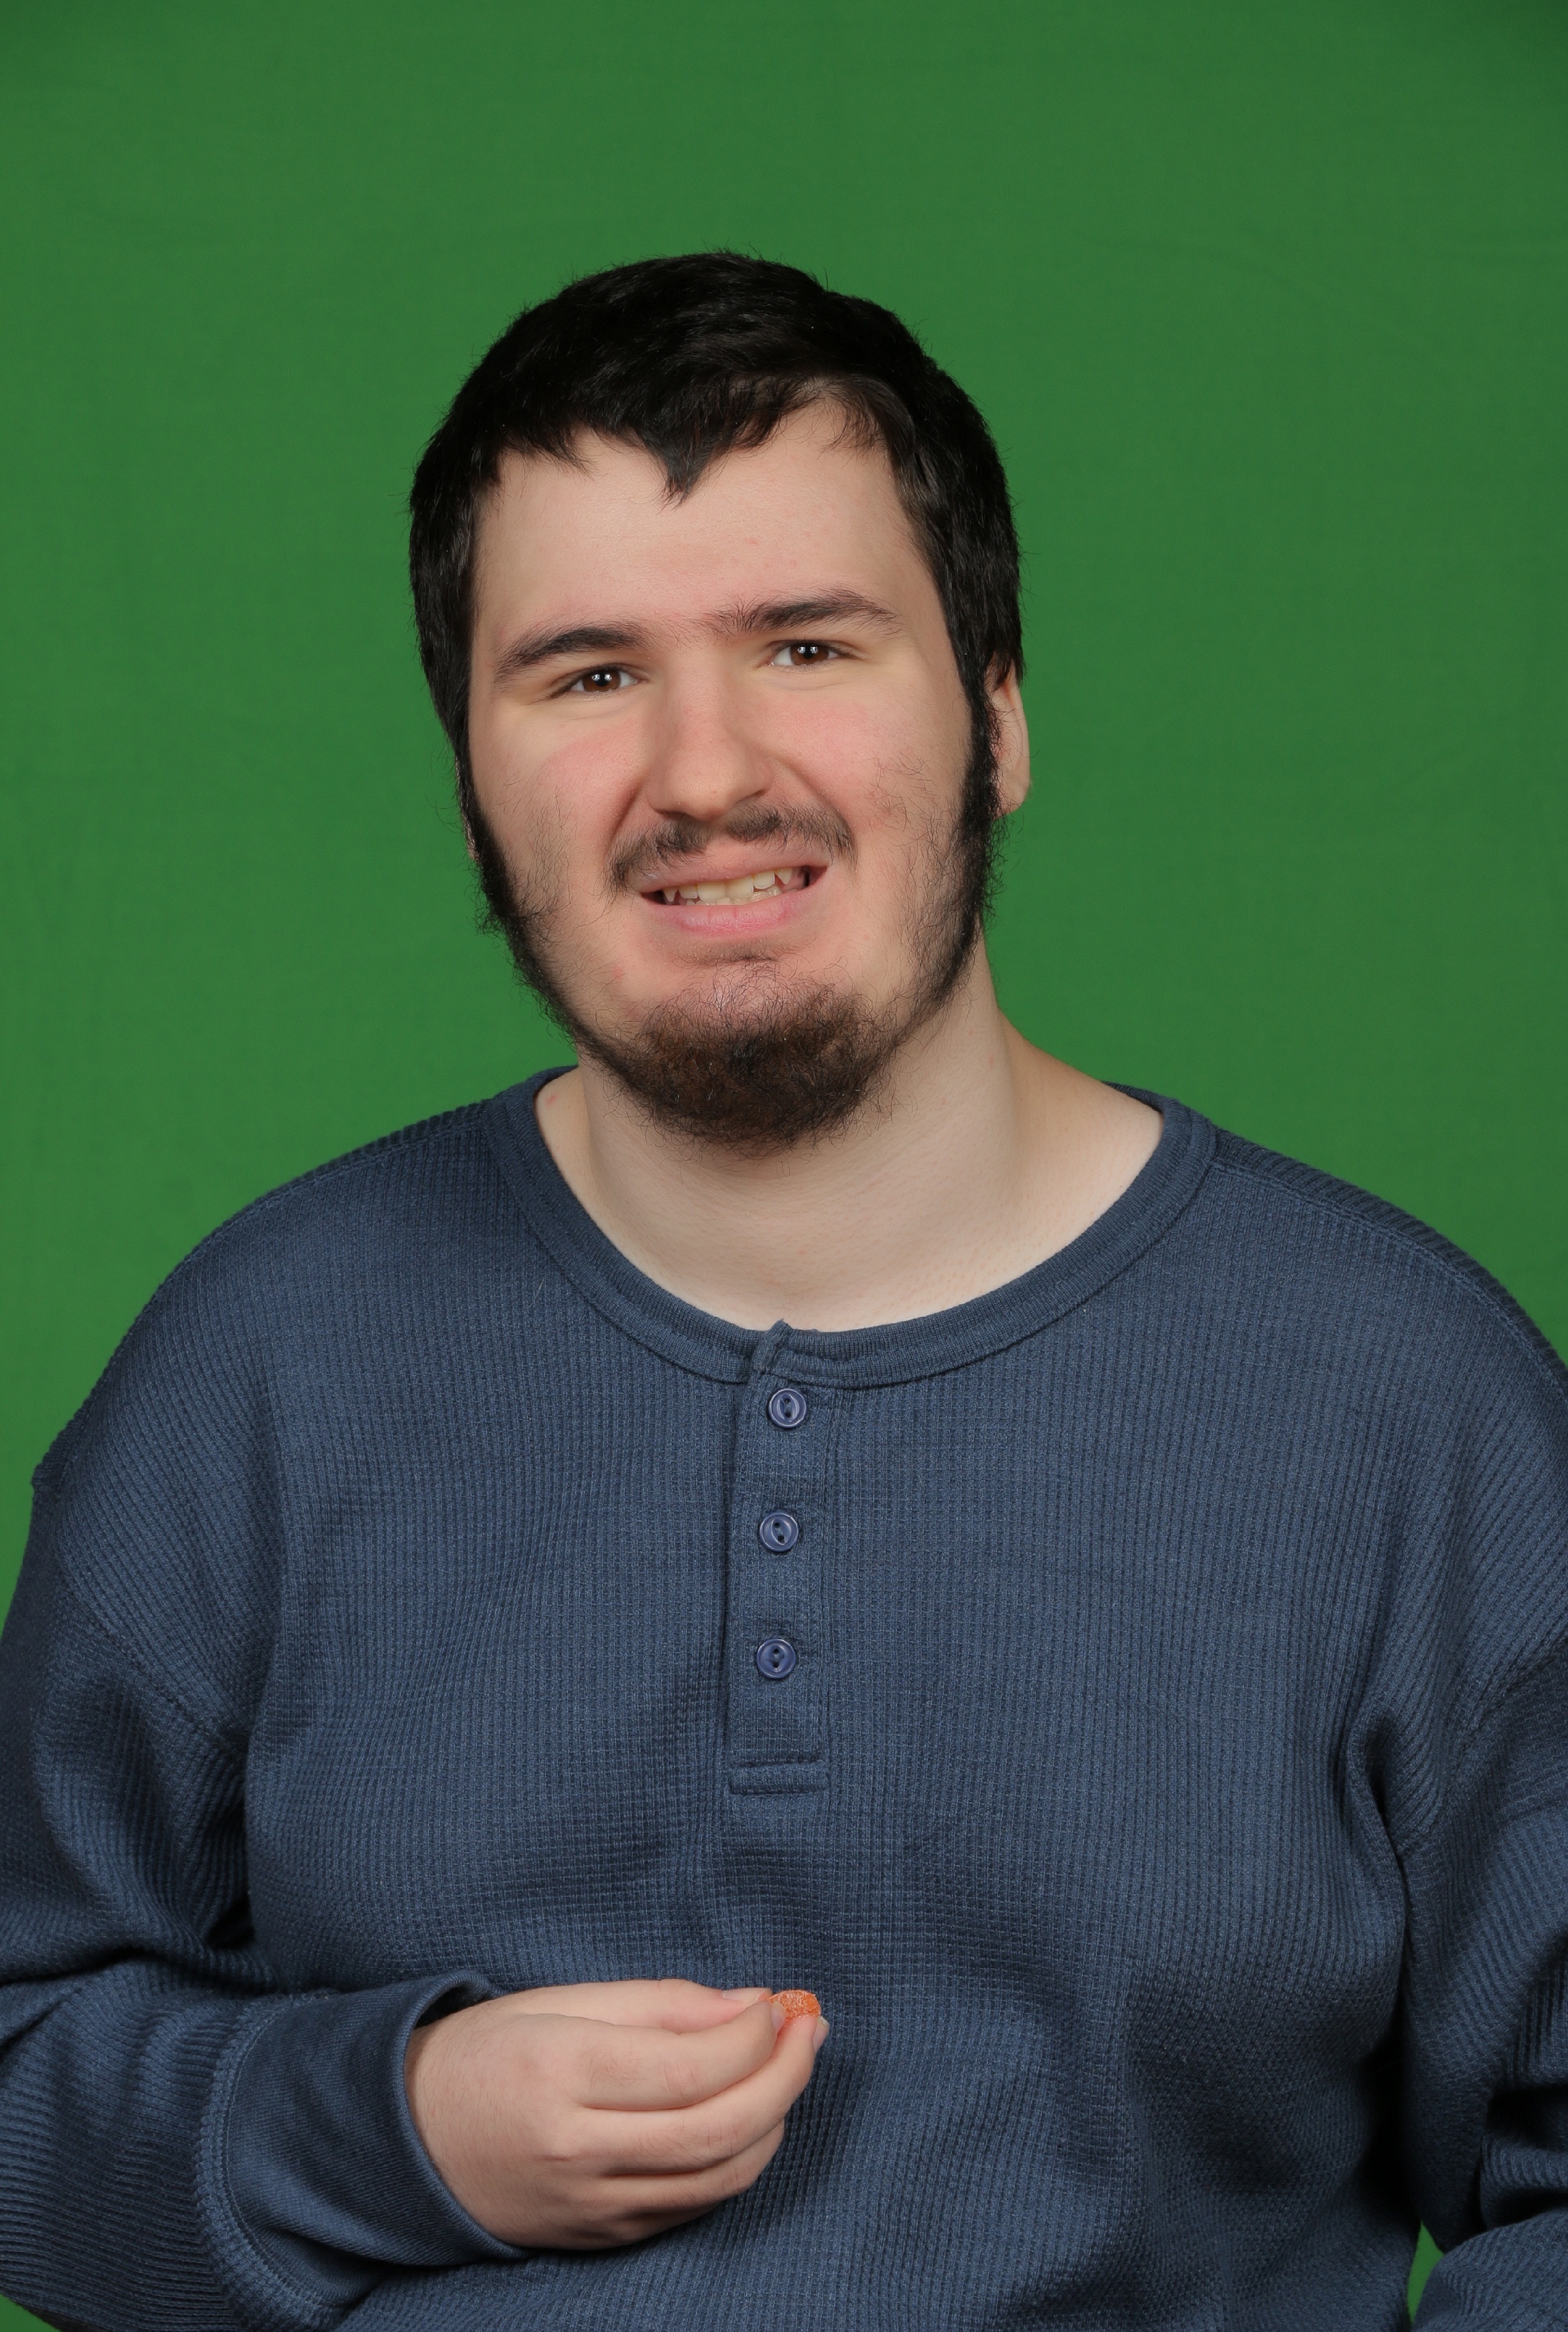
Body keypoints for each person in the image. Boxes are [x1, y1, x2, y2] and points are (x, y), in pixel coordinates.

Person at [0, 252, 1564, 2332]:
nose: (704, 771)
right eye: (586, 676)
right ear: (471, 786)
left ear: (997, 716)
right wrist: (385, 2125)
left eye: (805, 645)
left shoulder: (1411, 1403)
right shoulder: (254, 1371)